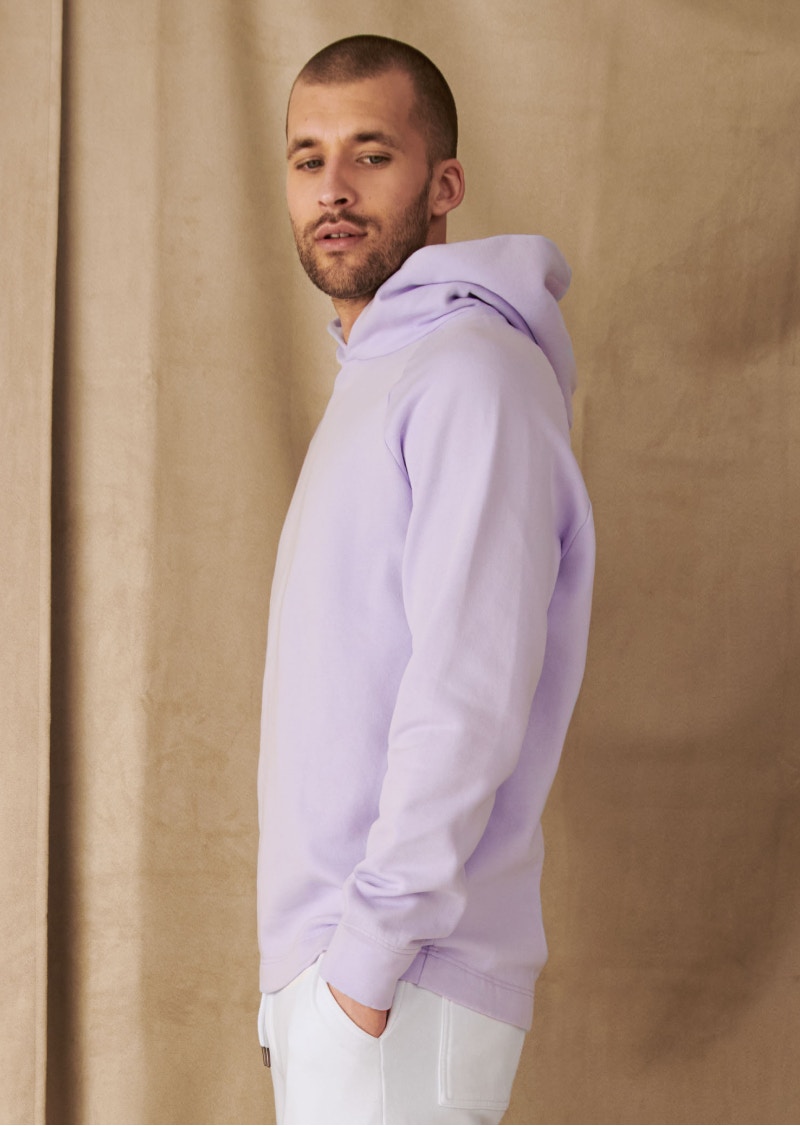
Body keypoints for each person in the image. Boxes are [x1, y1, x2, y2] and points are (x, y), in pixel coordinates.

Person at [256, 34, 594, 1126]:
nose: (333, 189)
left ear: (444, 184)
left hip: (401, 979)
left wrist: (360, 968)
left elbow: (469, 692)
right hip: (350, 978)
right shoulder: (383, 375)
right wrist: (304, 986)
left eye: (371, 155)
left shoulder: (467, 375)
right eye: (307, 159)